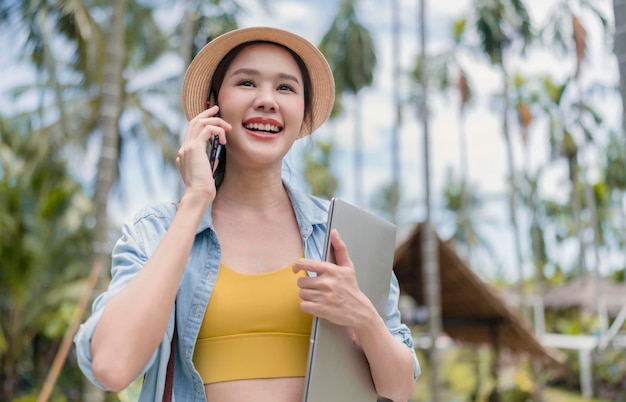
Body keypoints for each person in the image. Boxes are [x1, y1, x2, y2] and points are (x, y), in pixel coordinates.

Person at [74, 26, 420, 402]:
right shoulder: (157, 231)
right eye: (246, 83)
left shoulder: (344, 235)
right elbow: (112, 365)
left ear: (303, 117)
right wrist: (195, 201)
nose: (267, 100)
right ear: (212, 106)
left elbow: (400, 389)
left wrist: (364, 317)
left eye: (286, 88)